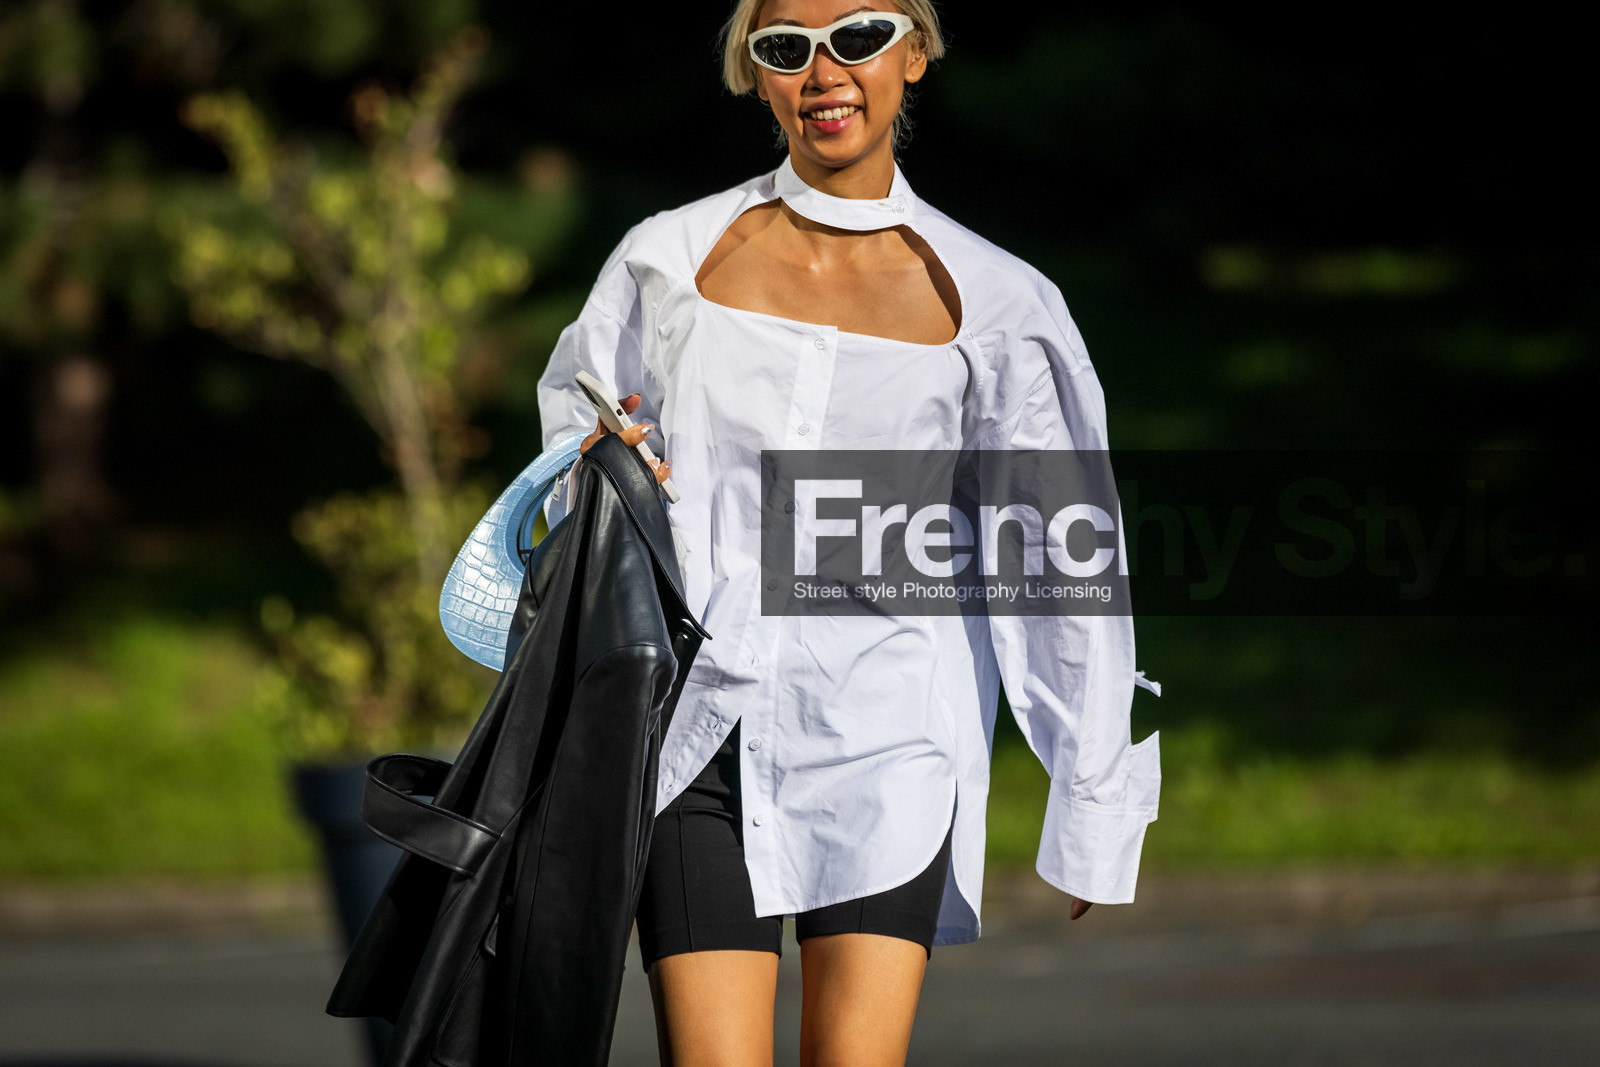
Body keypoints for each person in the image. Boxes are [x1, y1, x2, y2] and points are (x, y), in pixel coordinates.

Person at [536, 2, 1162, 1063]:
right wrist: (609, 464)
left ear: (912, 53)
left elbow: (1057, 551)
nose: (825, 70)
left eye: (858, 35)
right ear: (756, 72)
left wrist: (1090, 792)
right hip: (694, 732)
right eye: (786, 47)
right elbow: (570, 457)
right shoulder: (665, 260)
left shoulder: (1002, 302)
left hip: (890, 741)